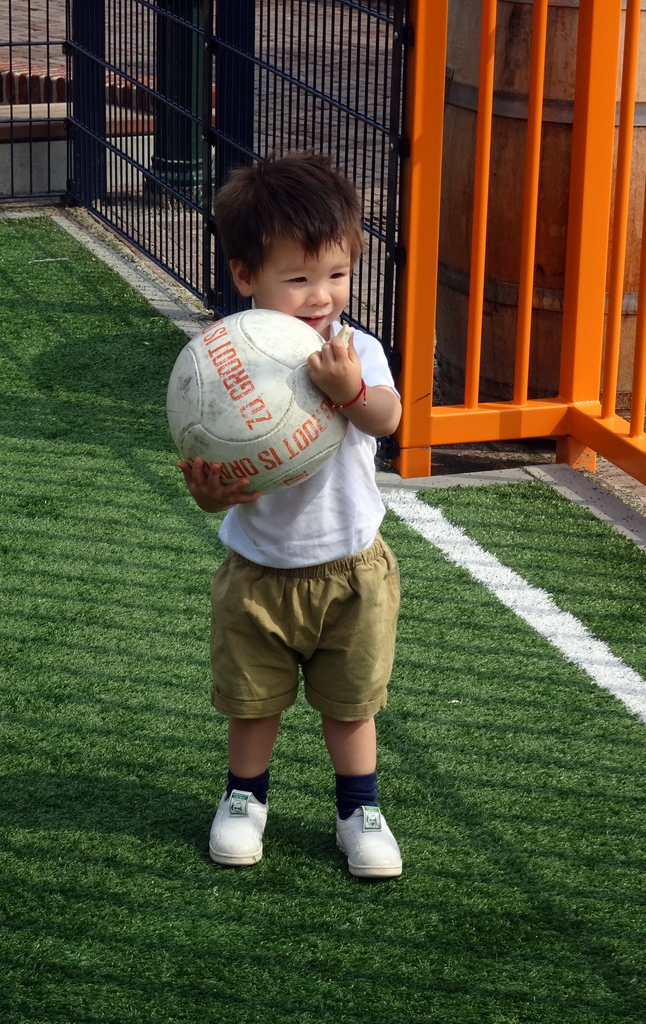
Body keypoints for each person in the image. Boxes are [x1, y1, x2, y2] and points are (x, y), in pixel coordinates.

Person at [178, 150, 402, 878]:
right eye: (298, 278)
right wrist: (210, 493)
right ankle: (245, 798)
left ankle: (358, 809)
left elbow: (388, 418)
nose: (321, 296)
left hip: (351, 569)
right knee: (254, 700)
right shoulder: (226, 362)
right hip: (259, 570)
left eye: (335, 275)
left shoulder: (354, 349)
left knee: (350, 704)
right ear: (245, 276)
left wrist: (347, 391)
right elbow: (211, 480)